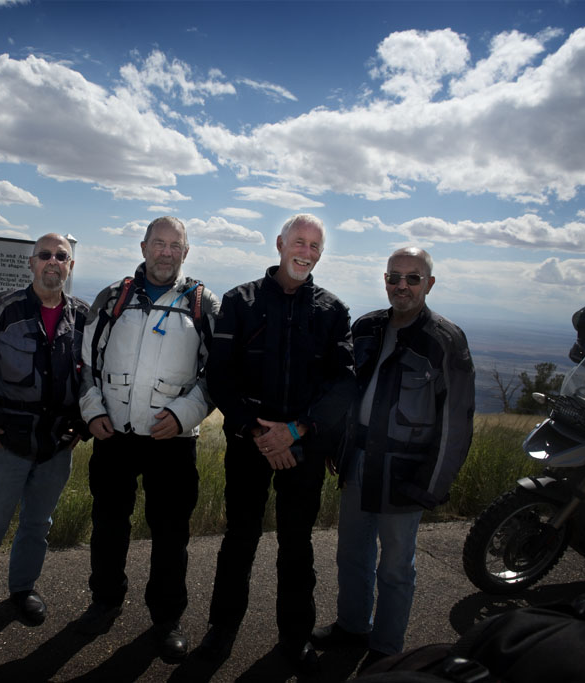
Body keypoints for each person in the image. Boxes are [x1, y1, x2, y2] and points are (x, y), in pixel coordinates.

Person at [195, 214, 357, 675]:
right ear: (280, 243)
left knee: (296, 544)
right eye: (299, 243)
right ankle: (221, 629)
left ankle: (295, 638)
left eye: (315, 247)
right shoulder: (239, 301)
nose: (305, 253)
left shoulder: (332, 310)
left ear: (320, 254)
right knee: (239, 539)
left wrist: (297, 430)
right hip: (250, 443)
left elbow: (343, 384)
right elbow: (219, 376)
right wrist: (259, 432)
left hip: (302, 447)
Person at [312, 246, 475, 670]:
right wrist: (335, 446)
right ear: (385, 279)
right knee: (351, 552)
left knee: (396, 565)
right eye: (394, 277)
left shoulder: (445, 339)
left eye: (412, 278)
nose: (401, 286)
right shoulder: (366, 326)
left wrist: (432, 484)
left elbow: (456, 422)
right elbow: (344, 392)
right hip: (357, 461)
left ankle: (386, 650)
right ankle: (352, 626)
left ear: (429, 284)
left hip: (405, 470)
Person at [76, 216, 219, 662]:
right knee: (109, 522)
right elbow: (85, 364)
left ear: (186, 252)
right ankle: (105, 600)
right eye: (158, 243)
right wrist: (92, 411)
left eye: (175, 245)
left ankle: (167, 619)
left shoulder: (202, 302)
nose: (165, 252)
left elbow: (219, 373)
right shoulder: (114, 297)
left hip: (172, 441)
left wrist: (183, 415)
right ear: (143, 247)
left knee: (171, 533)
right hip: (114, 433)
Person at [0, 233, 90, 632]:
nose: (53, 262)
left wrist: (82, 425)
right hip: (7, 441)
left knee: (37, 524)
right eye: (44, 255)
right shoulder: (3, 309)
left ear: (70, 266)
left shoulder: (81, 317)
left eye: (61, 256)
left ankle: (22, 590)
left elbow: (94, 378)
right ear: (31, 263)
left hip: (56, 444)